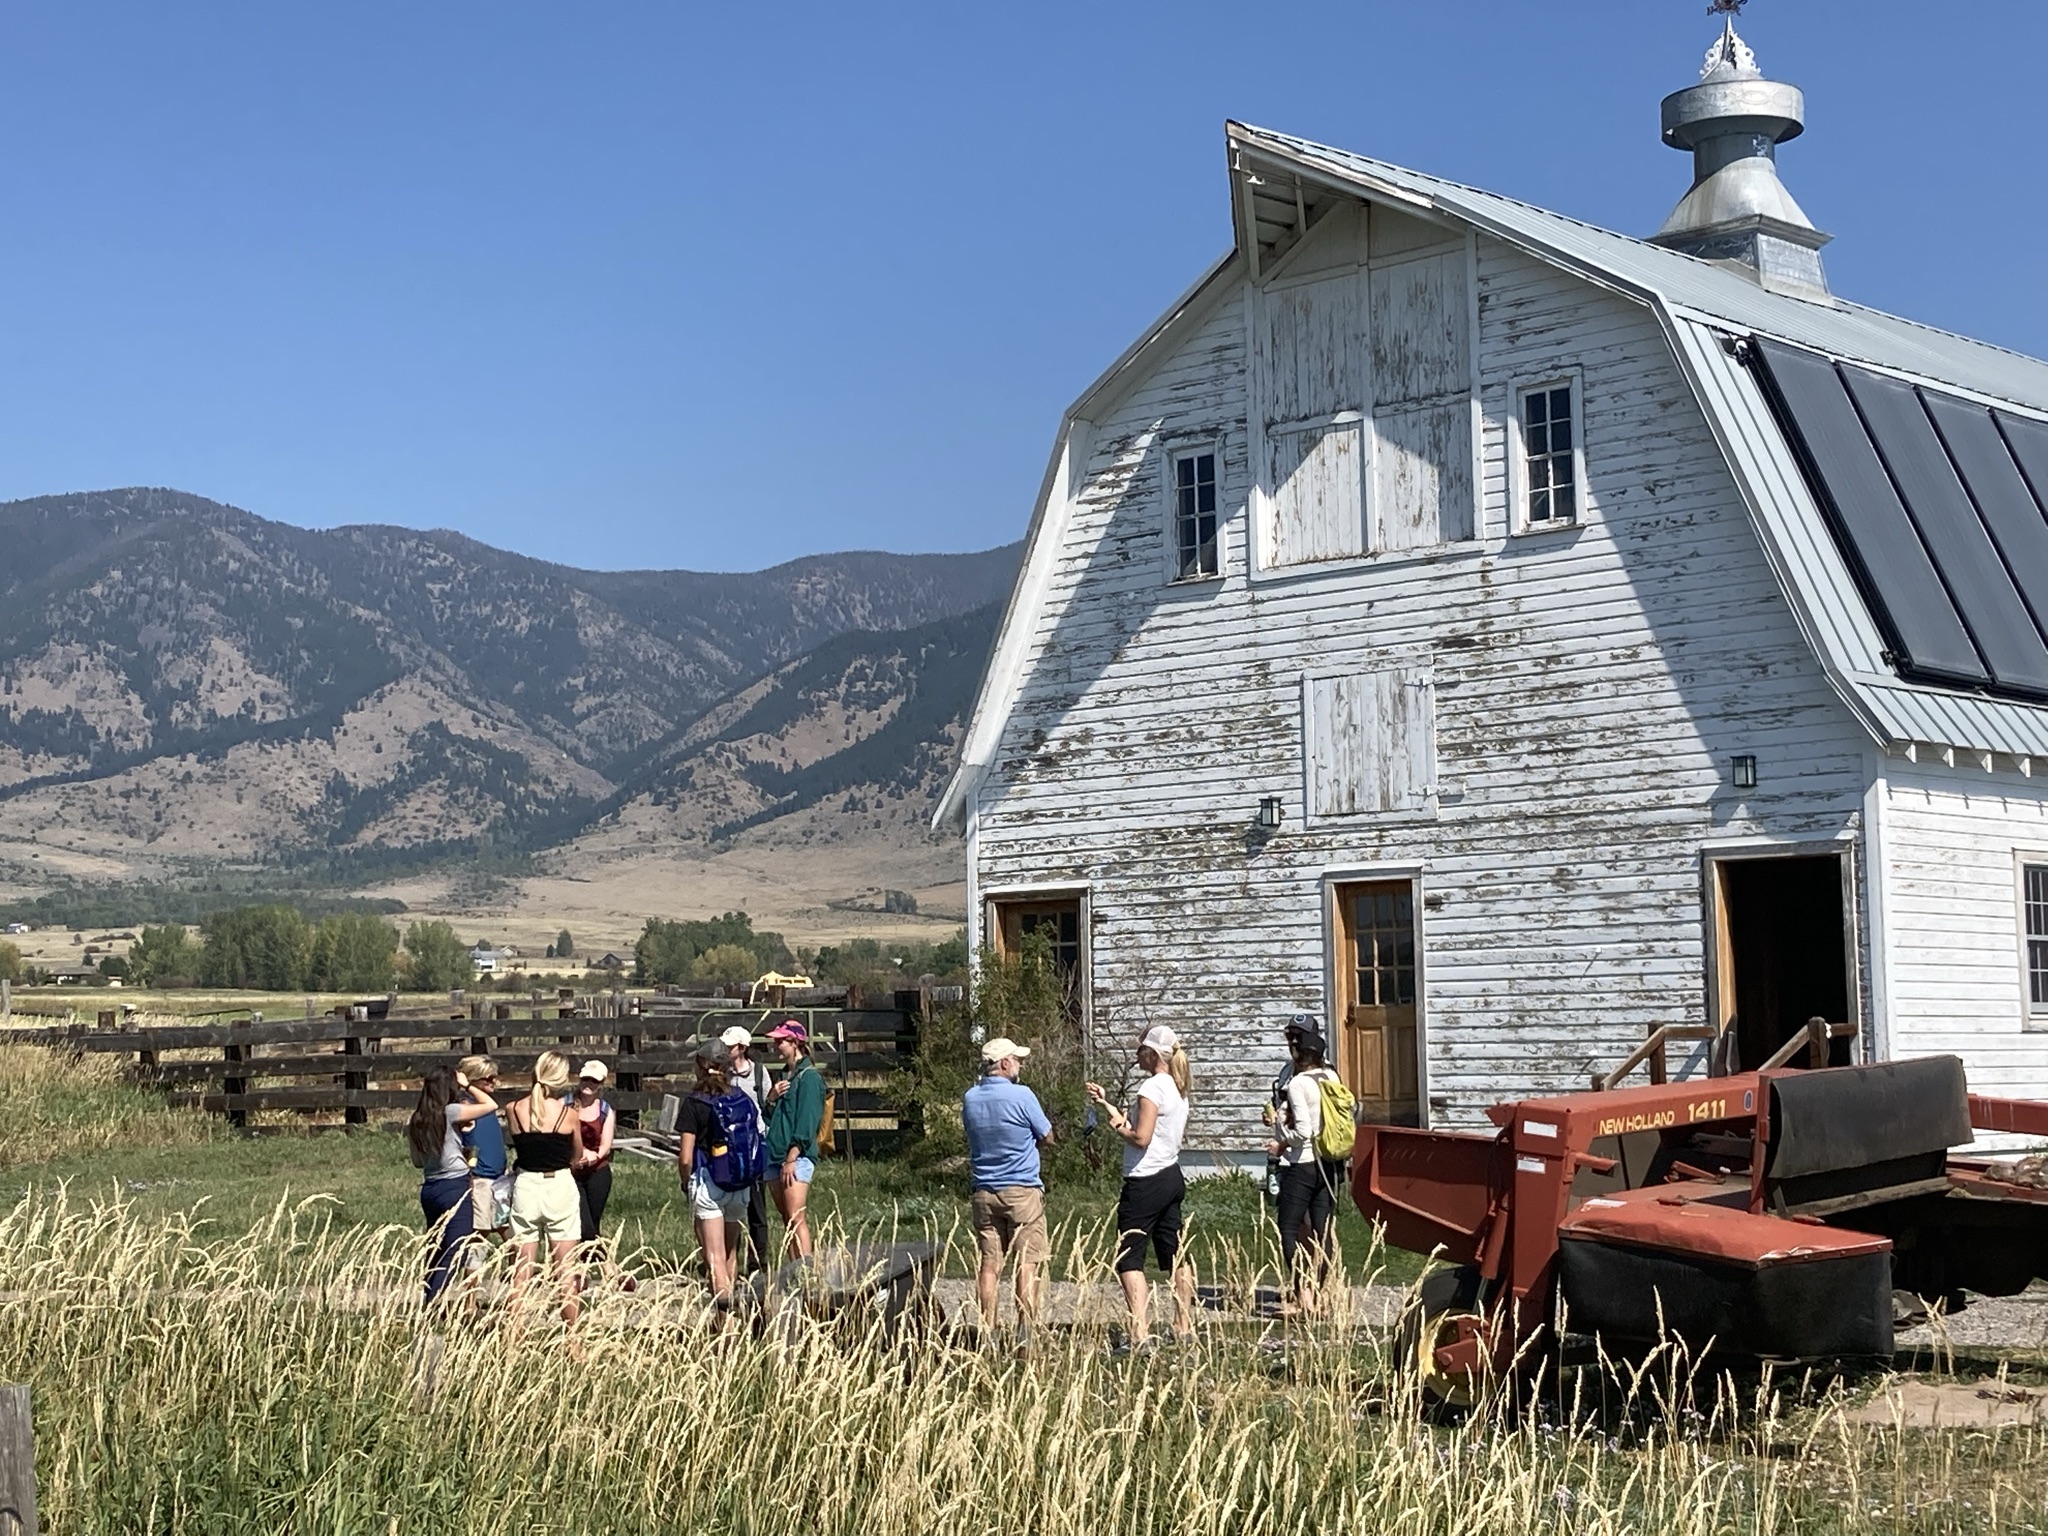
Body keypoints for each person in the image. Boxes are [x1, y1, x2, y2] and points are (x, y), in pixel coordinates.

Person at [1086, 1025, 1196, 1352]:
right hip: (1170, 1175)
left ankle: (1139, 1332)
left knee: (1129, 1255)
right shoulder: (1177, 1087)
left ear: (1152, 1054)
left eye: (1140, 1049)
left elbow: (1140, 1137)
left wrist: (1119, 1126)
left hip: (1145, 1180)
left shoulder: (1151, 1088)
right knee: (1175, 1252)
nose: (1136, 1055)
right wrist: (1108, 1105)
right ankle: (1183, 1325)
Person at [961, 1036, 1054, 1347]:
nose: (1020, 1064)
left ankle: (988, 1329)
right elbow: (1047, 1135)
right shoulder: (1022, 1095)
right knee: (1027, 1262)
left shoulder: (971, 1098)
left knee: (990, 1263)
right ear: (1004, 1064)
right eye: (1016, 1059)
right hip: (1021, 1188)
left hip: (984, 1189)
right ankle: (1025, 1331)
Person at [1265, 1027, 1346, 1314]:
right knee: (1321, 1232)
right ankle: (1321, 1298)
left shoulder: (1299, 1083)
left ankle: (1303, 1298)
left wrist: (1281, 1145)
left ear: (1300, 1054)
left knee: (1289, 1228)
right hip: (1327, 1162)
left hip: (1302, 1165)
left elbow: (1304, 1131)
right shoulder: (1331, 1077)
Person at [677, 1043, 762, 1312]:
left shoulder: (694, 1102)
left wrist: (685, 1181)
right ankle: (729, 1314)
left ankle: (725, 1330)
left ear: (702, 1065)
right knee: (729, 1253)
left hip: (709, 1179)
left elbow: (686, 1157)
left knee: (713, 1257)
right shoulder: (742, 1097)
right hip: (740, 1182)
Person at [407, 1065, 498, 1304]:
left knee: (435, 1247)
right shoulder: (450, 1112)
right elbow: (490, 1106)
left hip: (430, 1188)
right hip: (455, 1186)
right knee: (458, 1246)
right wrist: (468, 1085)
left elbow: (417, 1162)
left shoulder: (416, 1119)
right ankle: (432, 1301)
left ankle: (428, 1293)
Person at [507, 1050, 582, 1322]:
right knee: (565, 1269)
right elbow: (577, 1155)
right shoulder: (568, 1115)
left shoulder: (514, 1109)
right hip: (559, 1182)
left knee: (521, 1271)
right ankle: (573, 1340)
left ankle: (513, 1337)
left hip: (527, 1184)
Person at [763, 1019, 826, 1261]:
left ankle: (806, 1270)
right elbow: (770, 1116)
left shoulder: (808, 1078)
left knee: (795, 1216)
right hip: (775, 1153)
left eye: (781, 1041)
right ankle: (794, 1268)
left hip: (794, 1157)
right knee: (786, 1217)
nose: (775, 1045)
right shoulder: (784, 1076)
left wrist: (792, 1156)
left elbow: (808, 1121)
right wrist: (771, 1097)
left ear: (795, 1042)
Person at [722, 1024, 773, 1275]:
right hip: (730, 1145)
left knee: (756, 1205)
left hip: (754, 1143)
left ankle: (757, 1263)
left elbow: (766, 1105)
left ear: (742, 1048)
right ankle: (729, 1258)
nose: (725, 1050)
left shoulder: (760, 1073)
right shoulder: (723, 1074)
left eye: (729, 1046)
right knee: (729, 1206)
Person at [456, 1054, 510, 1243]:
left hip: (499, 1177)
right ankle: (473, 1272)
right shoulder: (467, 1107)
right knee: (479, 1235)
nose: (494, 1081)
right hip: (481, 1179)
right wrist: (467, 1087)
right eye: (488, 1078)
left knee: (510, 1232)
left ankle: (516, 1271)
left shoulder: (485, 1106)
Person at [570, 1060, 616, 1245]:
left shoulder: (606, 1111)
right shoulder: (564, 1105)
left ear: (601, 1083)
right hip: (571, 1171)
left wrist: (593, 1156)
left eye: (594, 1081)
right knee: (583, 1224)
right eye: (585, 1079)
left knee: (593, 1222)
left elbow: (606, 1145)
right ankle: (606, 1266)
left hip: (597, 1170)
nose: (588, 1084)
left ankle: (585, 1266)